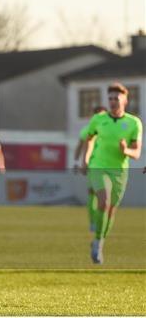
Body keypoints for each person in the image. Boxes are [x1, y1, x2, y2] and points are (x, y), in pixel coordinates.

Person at [82, 83, 142, 264]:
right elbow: (89, 138)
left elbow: (137, 153)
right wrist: (85, 159)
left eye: (116, 98)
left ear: (125, 100)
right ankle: (98, 240)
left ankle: (99, 242)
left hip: (120, 171)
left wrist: (126, 151)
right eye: (110, 98)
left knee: (111, 210)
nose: (112, 101)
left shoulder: (133, 123)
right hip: (98, 166)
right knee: (103, 200)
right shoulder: (98, 119)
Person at [73, 106, 106, 232]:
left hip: (108, 166)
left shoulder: (108, 129)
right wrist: (77, 162)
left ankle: (99, 222)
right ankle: (93, 222)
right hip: (92, 166)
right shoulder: (87, 130)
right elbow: (79, 147)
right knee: (93, 194)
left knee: (104, 197)